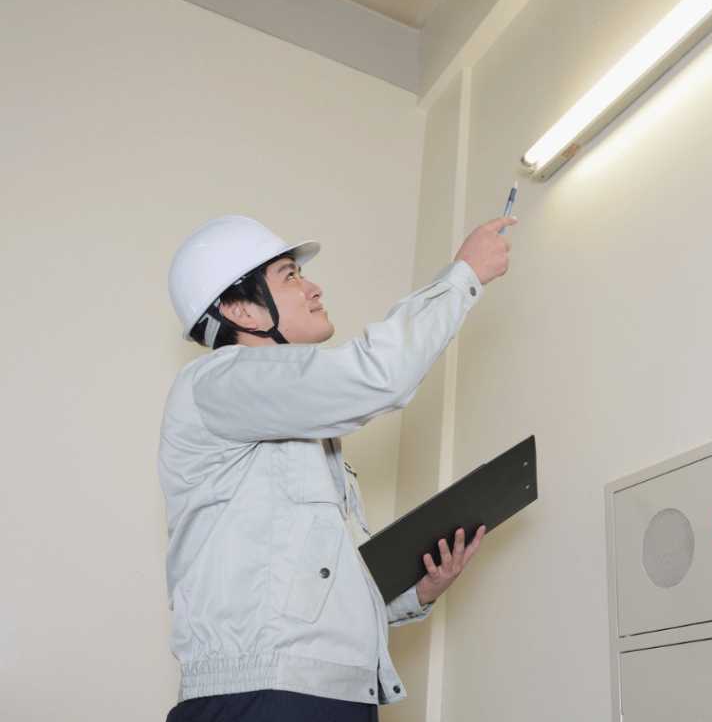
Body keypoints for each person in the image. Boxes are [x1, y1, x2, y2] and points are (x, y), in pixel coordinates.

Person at [159, 213, 515, 721]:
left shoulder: (303, 428)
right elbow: (378, 374)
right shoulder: (218, 382)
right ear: (241, 309)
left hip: (333, 694)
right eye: (290, 275)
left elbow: (320, 587)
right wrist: (463, 276)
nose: (314, 287)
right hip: (263, 698)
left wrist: (417, 593)